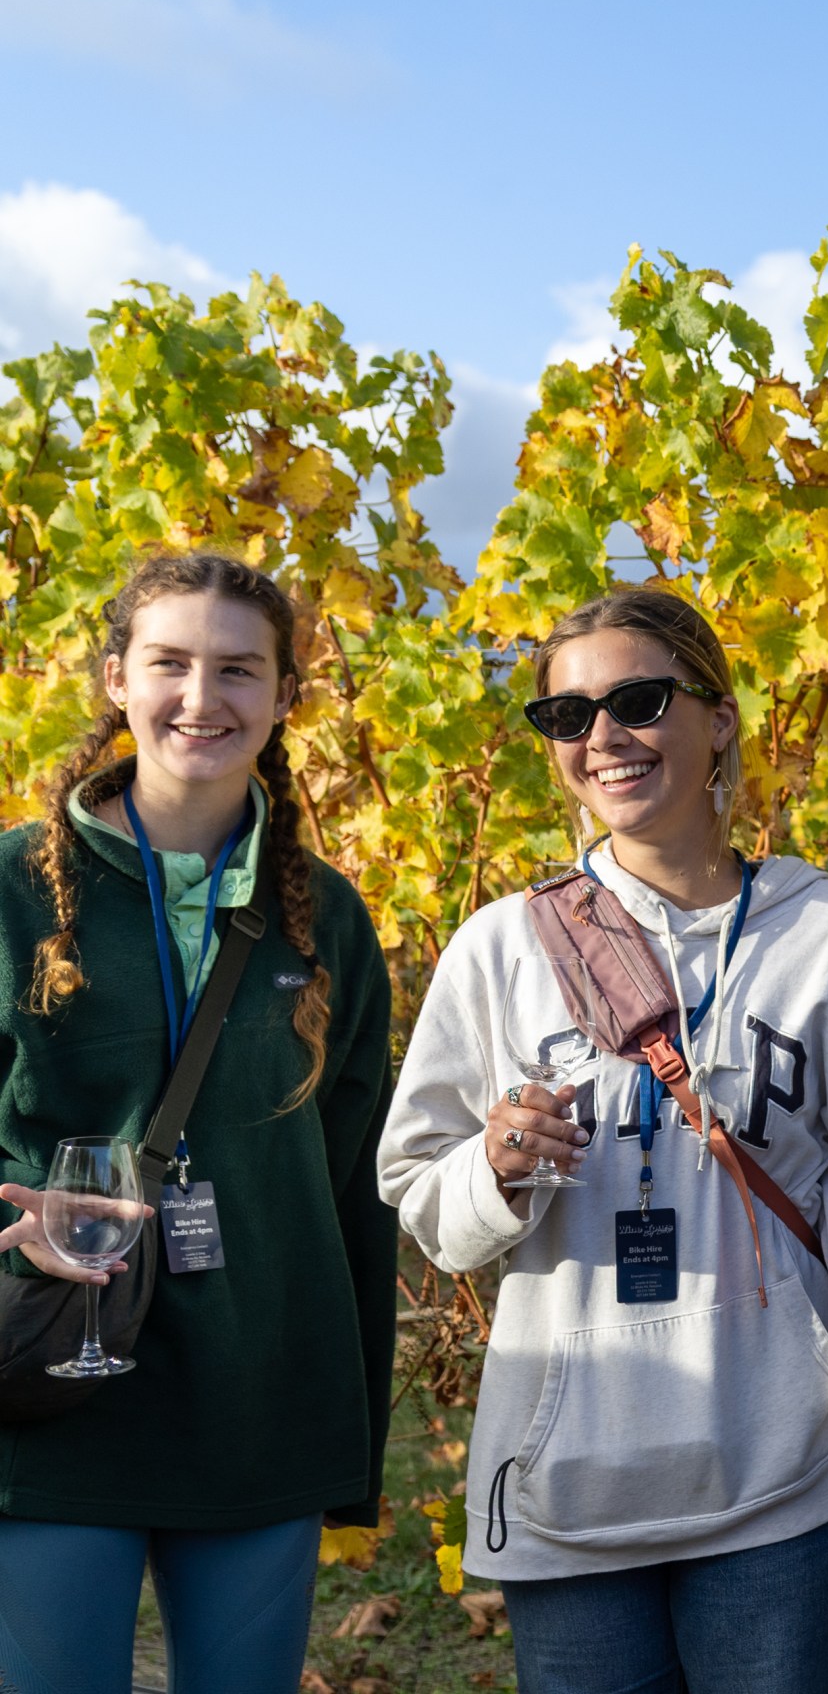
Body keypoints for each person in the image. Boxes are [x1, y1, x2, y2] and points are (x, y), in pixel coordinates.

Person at [379, 586, 828, 1694]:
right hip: (568, 1499)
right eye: (567, 716)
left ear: (719, 717)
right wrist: (493, 1168)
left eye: (638, 700)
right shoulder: (500, 949)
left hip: (782, 1496)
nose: (602, 737)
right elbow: (426, 1207)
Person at [0, 552, 396, 1694]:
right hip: (51, 1395)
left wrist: (349, 1438)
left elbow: (355, 1180)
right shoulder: (13, 890)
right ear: (117, 679)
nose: (201, 698)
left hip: (259, 1396)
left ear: (282, 699)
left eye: (239, 670)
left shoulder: (326, 916)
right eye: (169, 663)